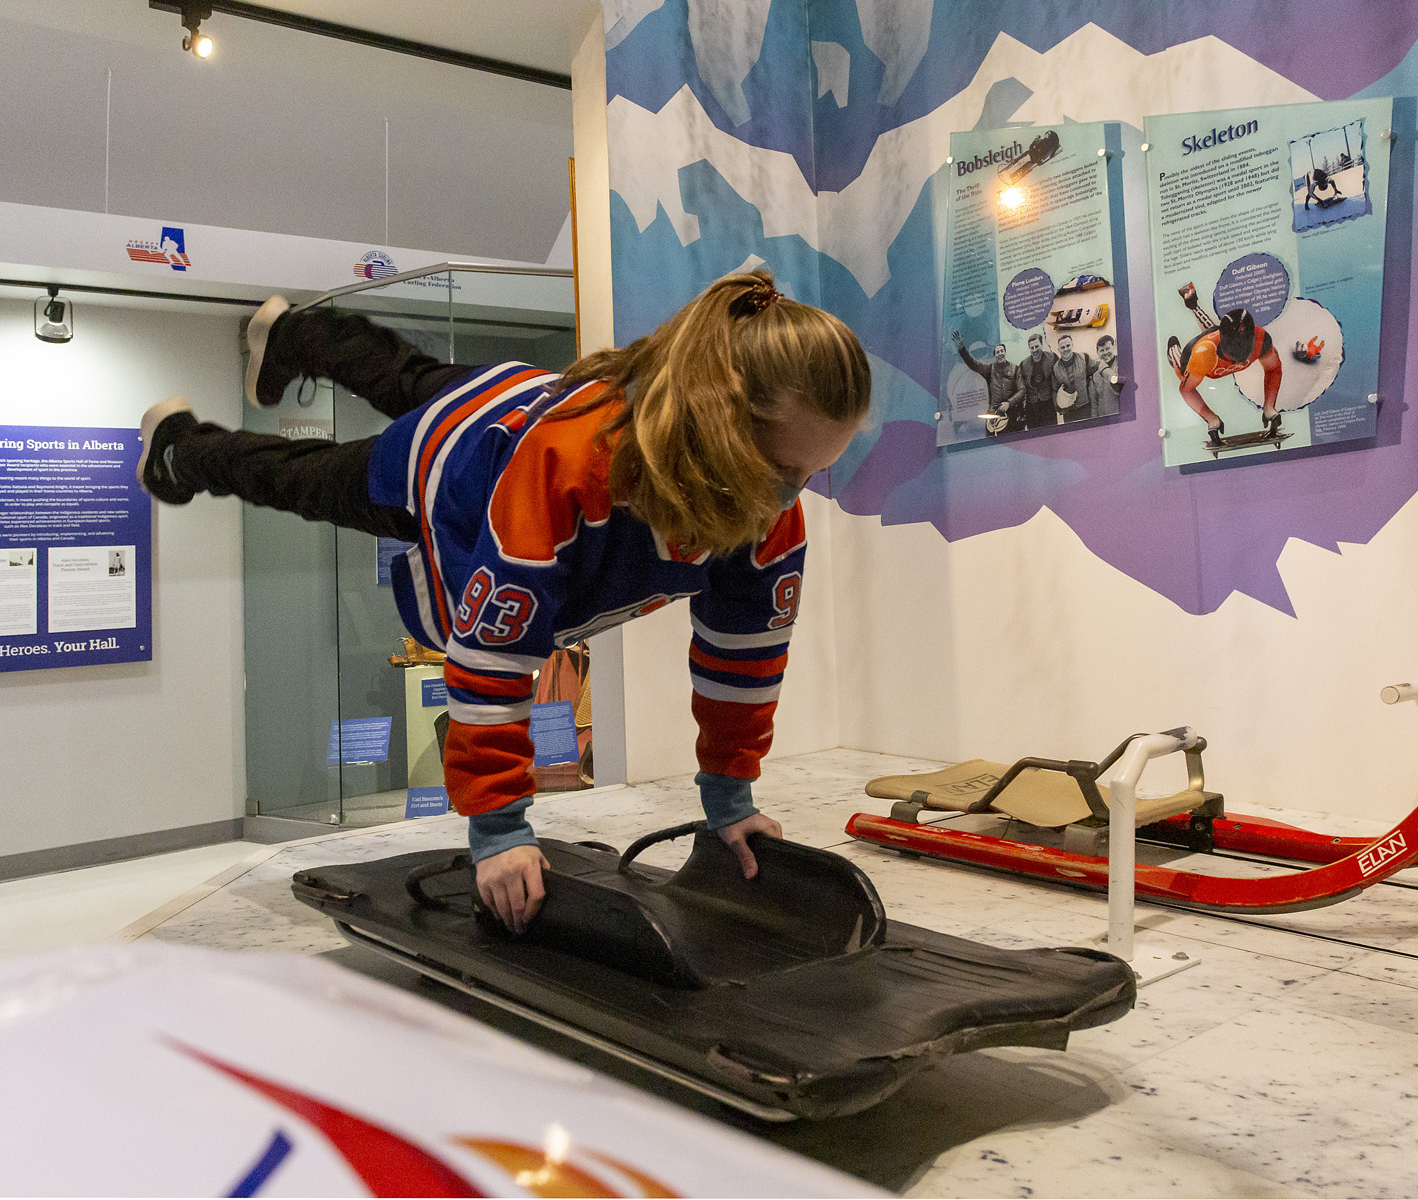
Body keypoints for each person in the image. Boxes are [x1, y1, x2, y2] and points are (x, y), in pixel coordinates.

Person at [136, 271, 870, 933]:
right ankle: (177, 445)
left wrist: (731, 802)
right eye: (780, 470)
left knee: (405, 371)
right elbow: (492, 663)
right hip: (462, 459)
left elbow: (744, 662)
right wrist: (498, 828)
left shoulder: (768, 515)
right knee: (301, 478)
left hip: (517, 394)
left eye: (809, 475)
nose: (786, 498)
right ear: (717, 423)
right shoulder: (566, 476)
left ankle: (291, 332)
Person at [1165, 307, 1283, 444]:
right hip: (1198, 354)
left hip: (1216, 341)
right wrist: (1211, 418)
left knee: (1215, 330)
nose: (1239, 359)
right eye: (1234, 353)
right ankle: (1174, 350)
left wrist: (1269, 406)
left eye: (1245, 350)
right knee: (1181, 371)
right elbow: (1187, 390)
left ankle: (1194, 305)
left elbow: (1273, 368)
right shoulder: (1202, 355)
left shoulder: (1261, 338)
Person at [950, 333, 1022, 430]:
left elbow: (1022, 389)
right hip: (993, 413)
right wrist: (962, 348)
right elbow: (974, 364)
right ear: (994, 355)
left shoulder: (1015, 369)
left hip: (1012, 411)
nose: (1000, 354)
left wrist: (1009, 403)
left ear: (1005, 352)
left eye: (1002, 351)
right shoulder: (989, 369)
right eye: (997, 352)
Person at [1012, 330, 1059, 431]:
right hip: (1032, 407)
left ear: (1042, 344)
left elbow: (1060, 376)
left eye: (1037, 346)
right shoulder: (1024, 364)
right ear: (1029, 348)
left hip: (1048, 404)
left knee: (1051, 433)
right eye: (1031, 348)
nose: (1034, 350)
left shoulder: (1052, 358)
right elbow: (1020, 388)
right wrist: (1021, 410)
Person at [1049, 333, 1096, 424]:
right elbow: (1054, 389)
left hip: (1086, 406)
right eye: (1062, 347)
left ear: (1072, 345)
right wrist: (1058, 406)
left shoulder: (1085, 358)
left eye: (1068, 346)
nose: (1066, 349)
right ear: (1058, 349)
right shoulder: (1055, 368)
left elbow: (1095, 376)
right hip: (1069, 411)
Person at [1088, 333, 1122, 419]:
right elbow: (1094, 404)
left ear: (1114, 348)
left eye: (1107, 349)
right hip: (1104, 421)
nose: (1105, 353)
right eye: (1102, 350)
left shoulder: (1122, 366)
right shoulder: (1095, 375)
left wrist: (1104, 369)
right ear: (1097, 353)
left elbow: (1119, 388)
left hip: (1120, 419)